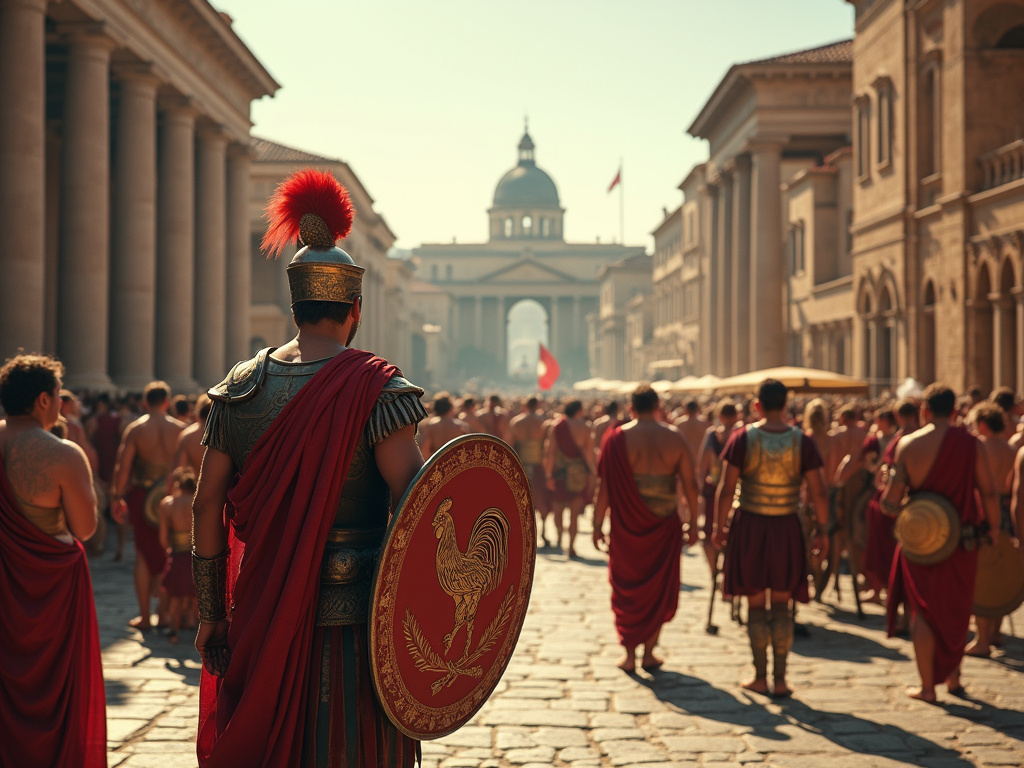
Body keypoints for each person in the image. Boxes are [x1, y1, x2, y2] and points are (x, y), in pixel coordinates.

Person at [192, 168, 426, 767]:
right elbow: (423, 501)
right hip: (358, 620)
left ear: (292, 303)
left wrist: (213, 615)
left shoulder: (239, 390)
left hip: (262, 608)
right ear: (355, 308)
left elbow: (205, 504)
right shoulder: (381, 391)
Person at [0, 354, 106, 767]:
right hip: (50, 587)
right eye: (60, 396)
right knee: (53, 682)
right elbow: (85, 529)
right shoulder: (62, 453)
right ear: (45, 400)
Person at [881, 383, 1001, 702]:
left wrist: (887, 497)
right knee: (956, 608)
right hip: (962, 541)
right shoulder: (971, 444)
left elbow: (891, 501)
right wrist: (994, 528)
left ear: (925, 411)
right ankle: (954, 679)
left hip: (920, 541)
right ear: (956, 411)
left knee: (923, 610)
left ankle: (926, 687)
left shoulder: (907, 444)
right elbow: (988, 492)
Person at [713, 379, 830, 698]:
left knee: (755, 602)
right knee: (782, 602)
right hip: (786, 528)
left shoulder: (743, 438)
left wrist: (718, 526)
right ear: (786, 403)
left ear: (757, 405)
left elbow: (726, 487)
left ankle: (760, 676)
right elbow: (818, 490)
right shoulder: (801, 441)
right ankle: (780, 679)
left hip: (750, 525)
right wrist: (823, 530)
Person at [592, 385, 700, 672]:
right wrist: (694, 523)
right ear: (657, 406)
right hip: (664, 523)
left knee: (626, 587)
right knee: (658, 587)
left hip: (627, 526)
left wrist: (596, 524)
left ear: (631, 408)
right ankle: (649, 653)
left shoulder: (617, 439)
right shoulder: (674, 437)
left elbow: (604, 487)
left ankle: (629, 655)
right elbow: (691, 485)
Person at [111, 380, 185, 630]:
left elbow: (123, 466)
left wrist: (116, 496)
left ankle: (145, 616)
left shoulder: (136, 429)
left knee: (143, 554)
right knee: (170, 553)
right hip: (171, 496)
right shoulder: (179, 429)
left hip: (143, 495)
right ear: (167, 402)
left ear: (145, 402)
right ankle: (163, 615)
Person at [964, 402, 1018, 657]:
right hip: (1008, 511)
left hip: (987, 513)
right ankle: (995, 631)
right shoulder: (1011, 448)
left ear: (983, 424)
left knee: (984, 576)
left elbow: (984, 488)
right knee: (1002, 572)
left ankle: (982, 638)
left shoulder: (981, 447)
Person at [544, 399, 595, 557]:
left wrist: (548, 475)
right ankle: (571, 546)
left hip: (560, 472)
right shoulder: (585, 427)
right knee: (574, 513)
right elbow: (588, 453)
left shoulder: (556, 426)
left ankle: (560, 536)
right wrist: (592, 471)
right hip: (578, 473)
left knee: (558, 509)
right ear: (579, 411)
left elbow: (550, 452)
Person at [696, 399, 739, 578]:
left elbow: (702, 464)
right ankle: (729, 573)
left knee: (709, 535)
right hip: (737, 492)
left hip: (714, 491)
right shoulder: (741, 434)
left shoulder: (712, 435)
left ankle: (714, 570)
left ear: (720, 416)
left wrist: (699, 491)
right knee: (734, 536)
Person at [159, 467, 198, 645]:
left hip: (177, 553)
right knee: (197, 591)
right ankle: (192, 623)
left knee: (175, 595)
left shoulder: (167, 504)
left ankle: (174, 631)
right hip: (195, 553)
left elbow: (163, 537)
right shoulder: (197, 502)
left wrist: (169, 551)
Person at [509, 396, 553, 546]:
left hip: (521, 464)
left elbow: (510, 444)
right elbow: (548, 449)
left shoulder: (516, 422)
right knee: (541, 499)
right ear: (538, 405)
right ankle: (543, 532)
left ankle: (524, 533)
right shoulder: (543, 422)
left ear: (524, 405)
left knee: (522, 500)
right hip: (539, 465)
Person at [417, 391, 469, 458]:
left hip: (437, 463)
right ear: (451, 407)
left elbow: (425, 449)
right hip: (456, 462)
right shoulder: (461, 426)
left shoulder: (430, 426)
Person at [673, 399, 708, 471]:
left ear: (686, 409)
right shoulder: (703, 424)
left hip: (685, 458)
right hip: (700, 458)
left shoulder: (679, 424)